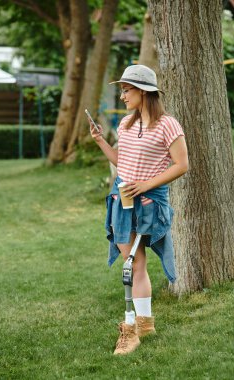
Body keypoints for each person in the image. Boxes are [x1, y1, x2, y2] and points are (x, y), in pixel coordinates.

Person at [87, 64, 189, 355]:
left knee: (132, 265)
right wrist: (99, 141)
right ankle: (146, 323)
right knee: (134, 261)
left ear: (144, 91)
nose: (122, 96)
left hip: (147, 202)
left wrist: (144, 186)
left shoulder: (169, 124)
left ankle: (131, 326)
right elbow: (123, 162)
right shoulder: (127, 123)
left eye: (126, 89)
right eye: (122, 89)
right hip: (122, 201)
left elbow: (182, 165)